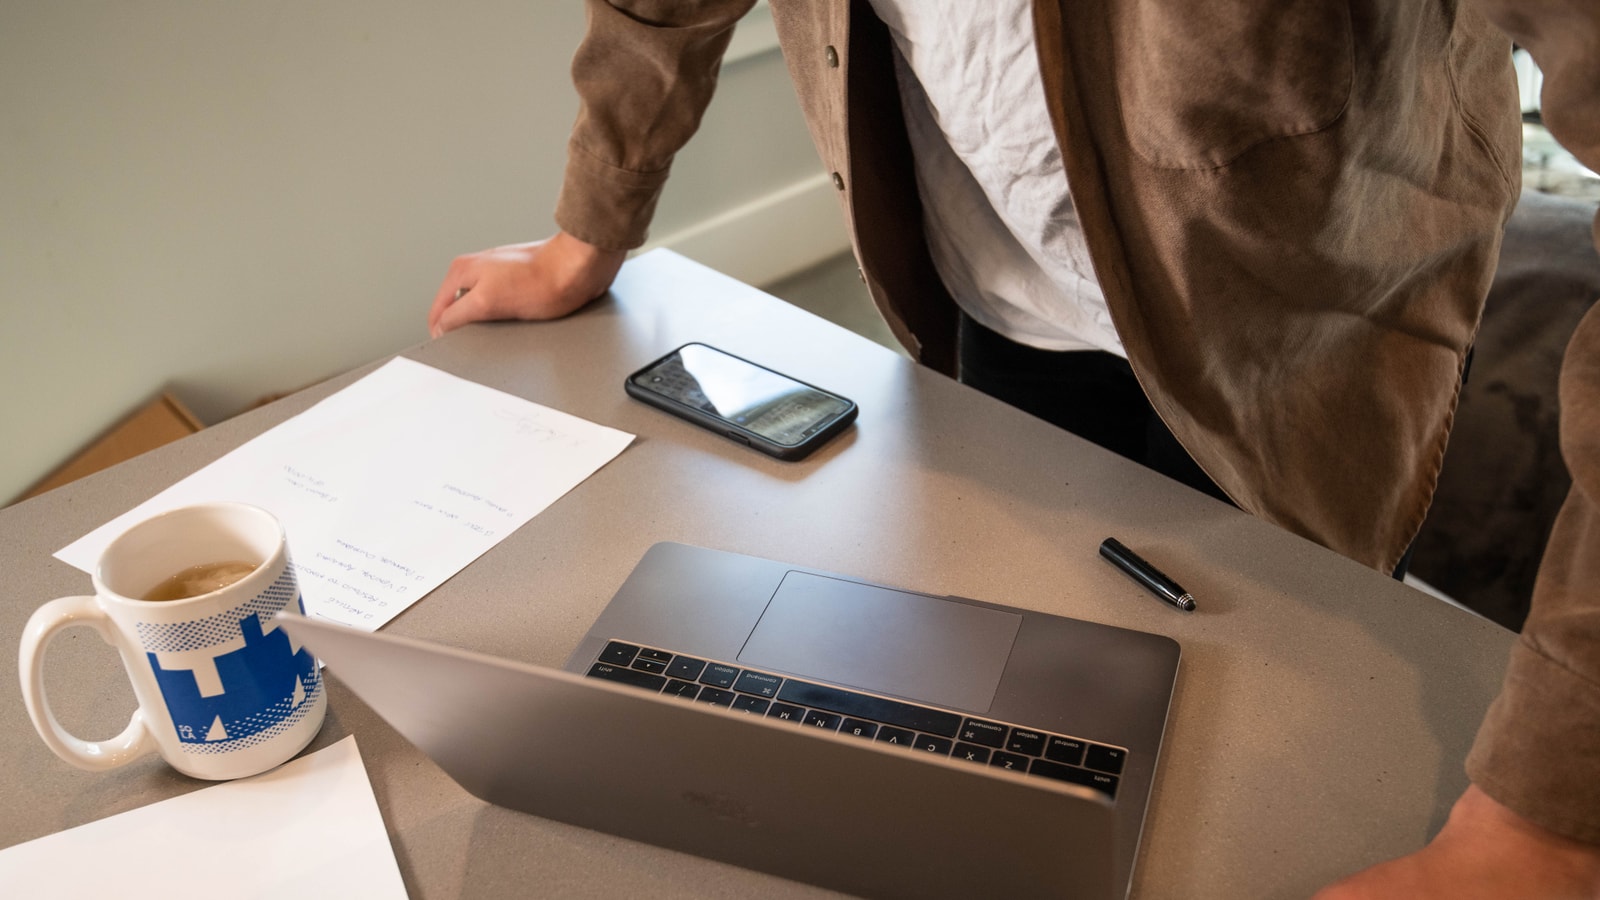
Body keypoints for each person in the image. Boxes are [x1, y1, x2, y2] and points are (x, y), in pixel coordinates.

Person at [429, 1, 1600, 893]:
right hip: (993, 295)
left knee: (1292, 753)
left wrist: (1543, 820)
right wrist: (591, 227)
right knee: (1033, 741)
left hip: (1307, 325)